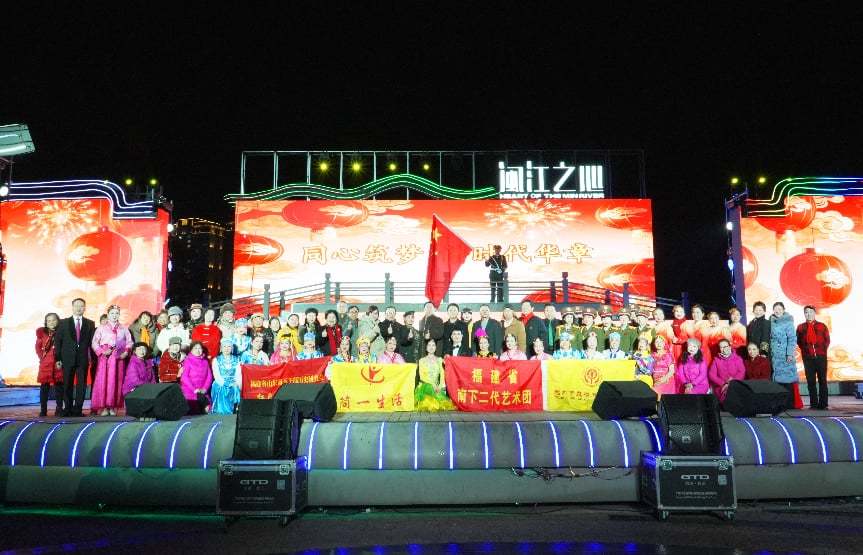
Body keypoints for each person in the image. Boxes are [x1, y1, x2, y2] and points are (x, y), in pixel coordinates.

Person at [53, 297, 95, 417]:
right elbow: (58, 342)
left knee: (81, 385)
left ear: (84, 308)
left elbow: (92, 343)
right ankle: (68, 409)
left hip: (82, 359)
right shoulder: (63, 323)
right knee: (67, 384)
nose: (79, 308)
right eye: (76, 306)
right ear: (72, 307)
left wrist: (93, 358)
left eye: (81, 306)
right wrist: (58, 358)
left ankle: (78, 410)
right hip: (67, 359)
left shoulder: (90, 323)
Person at [91, 305, 133, 416]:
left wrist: (126, 352)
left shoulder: (124, 328)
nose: (114, 315)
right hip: (105, 357)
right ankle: (104, 407)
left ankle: (113, 406)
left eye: (117, 313)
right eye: (112, 313)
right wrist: (101, 351)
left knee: (116, 380)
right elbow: (94, 342)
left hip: (118, 358)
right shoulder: (101, 328)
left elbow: (129, 342)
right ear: (108, 314)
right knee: (104, 380)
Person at [796, 305, 831, 410]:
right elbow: (799, 342)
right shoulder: (800, 327)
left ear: (814, 313)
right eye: (806, 312)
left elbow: (827, 340)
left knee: (822, 380)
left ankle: (823, 403)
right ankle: (814, 403)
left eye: (811, 312)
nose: (809, 314)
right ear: (804, 314)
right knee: (810, 381)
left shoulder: (822, 326)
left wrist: (821, 351)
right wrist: (806, 351)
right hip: (808, 358)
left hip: (821, 357)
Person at [770, 302, 799, 406]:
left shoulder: (788, 322)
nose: (777, 311)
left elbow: (792, 339)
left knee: (788, 379)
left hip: (785, 355)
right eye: (775, 309)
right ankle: (780, 403)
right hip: (775, 355)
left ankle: (790, 403)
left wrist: (789, 354)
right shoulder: (771, 321)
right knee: (778, 380)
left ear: (783, 310)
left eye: (779, 309)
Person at [415, 339, 456, 411]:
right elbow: (422, 376)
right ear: (426, 348)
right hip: (425, 386)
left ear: (436, 348)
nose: (431, 347)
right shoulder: (421, 360)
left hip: (437, 387)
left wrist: (440, 386)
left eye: (433, 345)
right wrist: (432, 385)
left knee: (440, 404)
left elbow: (442, 375)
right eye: (429, 345)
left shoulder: (439, 359)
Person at [36, 312, 64, 417]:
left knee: (59, 387)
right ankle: (43, 410)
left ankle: (59, 408)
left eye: (53, 320)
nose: (51, 322)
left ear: (58, 321)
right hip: (46, 365)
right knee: (44, 388)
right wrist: (42, 358)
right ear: (46, 322)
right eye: (49, 321)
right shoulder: (42, 333)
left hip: (58, 364)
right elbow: (38, 347)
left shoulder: (62, 332)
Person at [179, 341, 213, 414]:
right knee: (194, 411)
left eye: (199, 348)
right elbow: (184, 377)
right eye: (195, 348)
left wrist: (205, 388)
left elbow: (209, 376)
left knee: (207, 408)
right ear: (191, 350)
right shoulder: (188, 360)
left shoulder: (205, 361)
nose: (198, 350)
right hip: (190, 390)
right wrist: (194, 389)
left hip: (202, 391)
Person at [708, 338, 746, 403]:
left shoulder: (738, 358)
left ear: (730, 346)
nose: (724, 348)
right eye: (721, 347)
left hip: (735, 384)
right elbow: (711, 374)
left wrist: (731, 383)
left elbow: (742, 372)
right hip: (721, 386)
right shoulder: (716, 360)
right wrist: (723, 383)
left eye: (725, 346)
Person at [211, 338, 242, 415]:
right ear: (221, 348)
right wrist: (225, 383)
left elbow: (238, 374)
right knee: (221, 388)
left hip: (233, 382)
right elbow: (216, 375)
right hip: (220, 382)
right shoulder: (216, 360)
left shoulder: (237, 360)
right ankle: (220, 412)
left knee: (235, 388)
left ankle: (234, 411)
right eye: (224, 346)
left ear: (232, 348)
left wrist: (237, 383)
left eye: (229, 346)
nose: (227, 349)